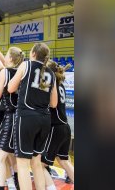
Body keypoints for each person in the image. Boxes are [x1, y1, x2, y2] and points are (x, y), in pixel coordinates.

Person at [8, 43, 58, 190]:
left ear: (34, 54)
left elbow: (11, 88)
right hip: (44, 119)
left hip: (27, 118)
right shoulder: (51, 73)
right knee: (36, 162)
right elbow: (54, 104)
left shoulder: (26, 65)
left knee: (23, 163)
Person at [0, 43, 24, 190]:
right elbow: (1, 58)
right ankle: (15, 183)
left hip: (11, 117)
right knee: (12, 156)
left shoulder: (5, 72)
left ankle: (2, 187)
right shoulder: (21, 71)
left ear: (10, 57)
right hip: (22, 116)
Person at [42, 61, 74, 189]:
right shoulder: (61, 85)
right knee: (63, 161)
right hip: (65, 126)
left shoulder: (50, 85)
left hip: (55, 128)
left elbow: (50, 105)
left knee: (39, 164)